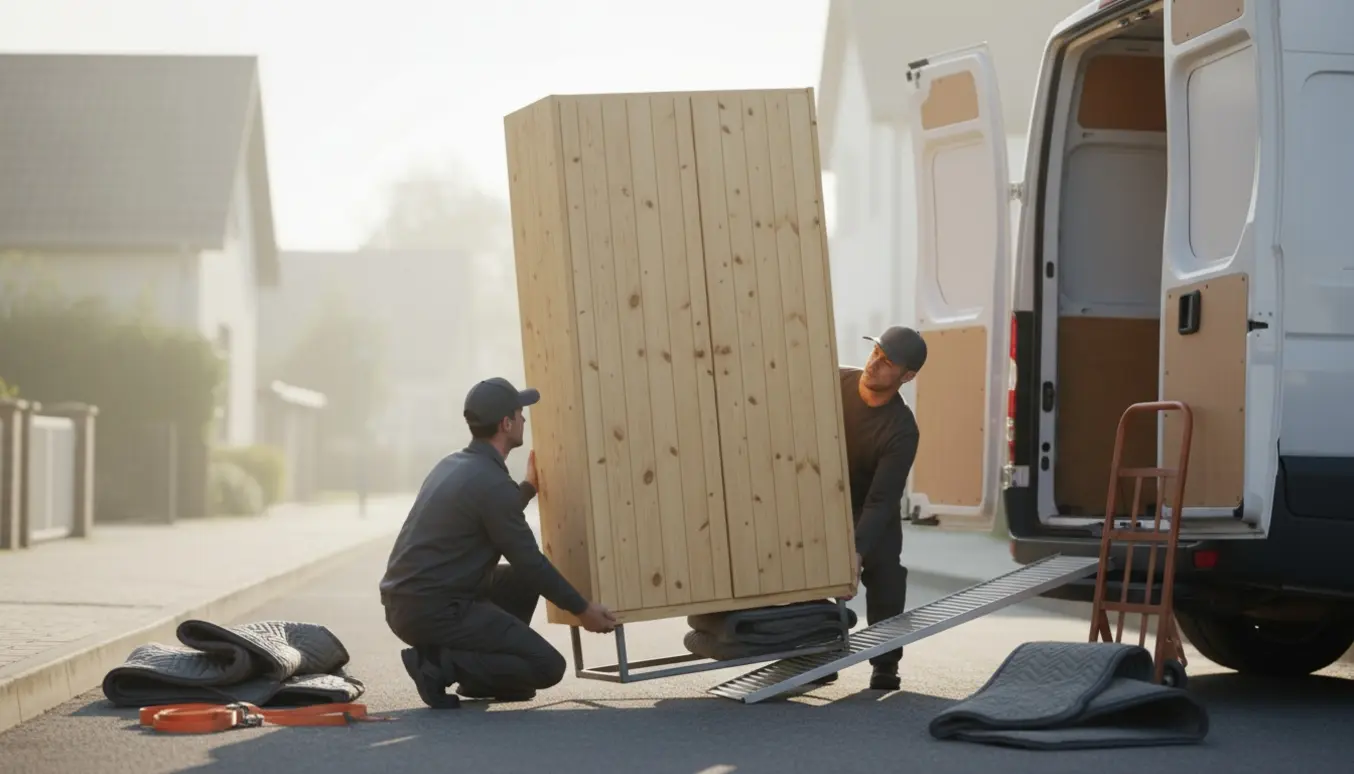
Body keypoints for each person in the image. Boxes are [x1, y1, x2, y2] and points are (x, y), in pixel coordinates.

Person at [379, 377, 617, 709]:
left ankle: (492, 675)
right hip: (434, 611)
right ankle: (437, 665)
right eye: (520, 413)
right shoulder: (490, 483)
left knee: (518, 583)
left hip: (411, 602)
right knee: (547, 666)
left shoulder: (455, 465)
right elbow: (530, 561)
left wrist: (528, 489)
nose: (524, 420)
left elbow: (489, 514)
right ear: (506, 424)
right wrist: (583, 610)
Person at [820, 325, 925, 691]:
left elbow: (882, 500)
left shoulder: (901, 430)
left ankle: (885, 662)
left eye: (888, 362)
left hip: (869, 503)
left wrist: (857, 551)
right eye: (875, 352)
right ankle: (818, 653)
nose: (875, 364)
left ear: (907, 376)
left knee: (886, 572)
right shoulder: (832, 383)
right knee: (806, 565)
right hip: (821, 497)